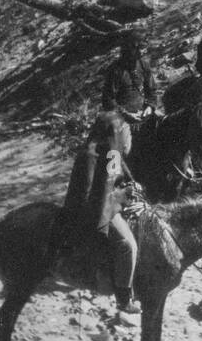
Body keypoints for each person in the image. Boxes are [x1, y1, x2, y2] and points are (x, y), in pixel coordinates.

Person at [58, 112, 142, 315]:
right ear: (115, 133)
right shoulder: (92, 157)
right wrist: (123, 196)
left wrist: (132, 187)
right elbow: (95, 195)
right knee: (127, 246)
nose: (128, 137)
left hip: (110, 204)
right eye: (125, 132)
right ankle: (123, 298)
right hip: (99, 210)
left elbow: (117, 176)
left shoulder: (109, 152)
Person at [101, 31, 158, 130]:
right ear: (128, 48)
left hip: (143, 113)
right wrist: (125, 114)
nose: (140, 52)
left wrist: (149, 107)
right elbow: (108, 100)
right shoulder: (115, 70)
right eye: (137, 49)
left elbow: (152, 91)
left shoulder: (143, 65)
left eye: (141, 49)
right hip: (122, 117)